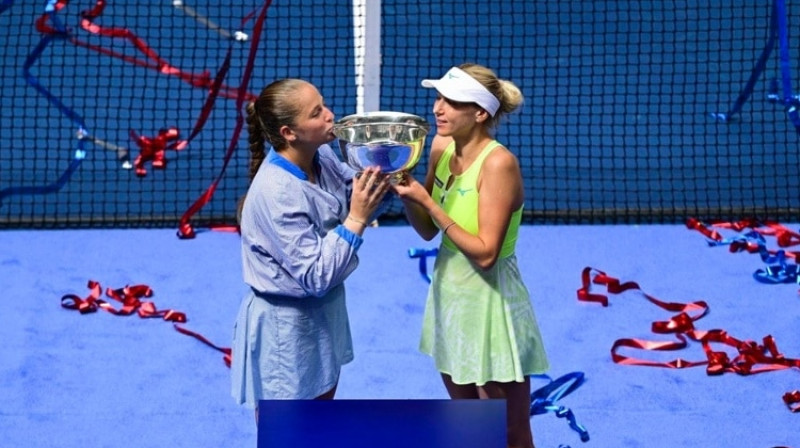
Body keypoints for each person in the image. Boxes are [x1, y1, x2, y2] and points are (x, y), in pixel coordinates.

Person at [392, 64, 549, 448]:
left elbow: (486, 255)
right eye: (439, 97)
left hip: (492, 305)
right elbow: (428, 229)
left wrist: (428, 200)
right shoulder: (442, 147)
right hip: (451, 298)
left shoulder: (499, 164)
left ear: (480, 113)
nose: (438, 108)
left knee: (509, 432)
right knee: (470, 426)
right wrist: (405, 188)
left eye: (452, 101)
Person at [231, 78, 391, 421]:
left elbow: (353, 194)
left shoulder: (321, 153)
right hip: (286, 330)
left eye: (324, 104)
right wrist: (358, 218)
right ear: (290, 132)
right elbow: (316, 275)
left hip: (323, 316)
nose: (330, 115)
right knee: (287, 432)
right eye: (317, 113)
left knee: (319, 420)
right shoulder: (277, 193)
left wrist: (384, 174)